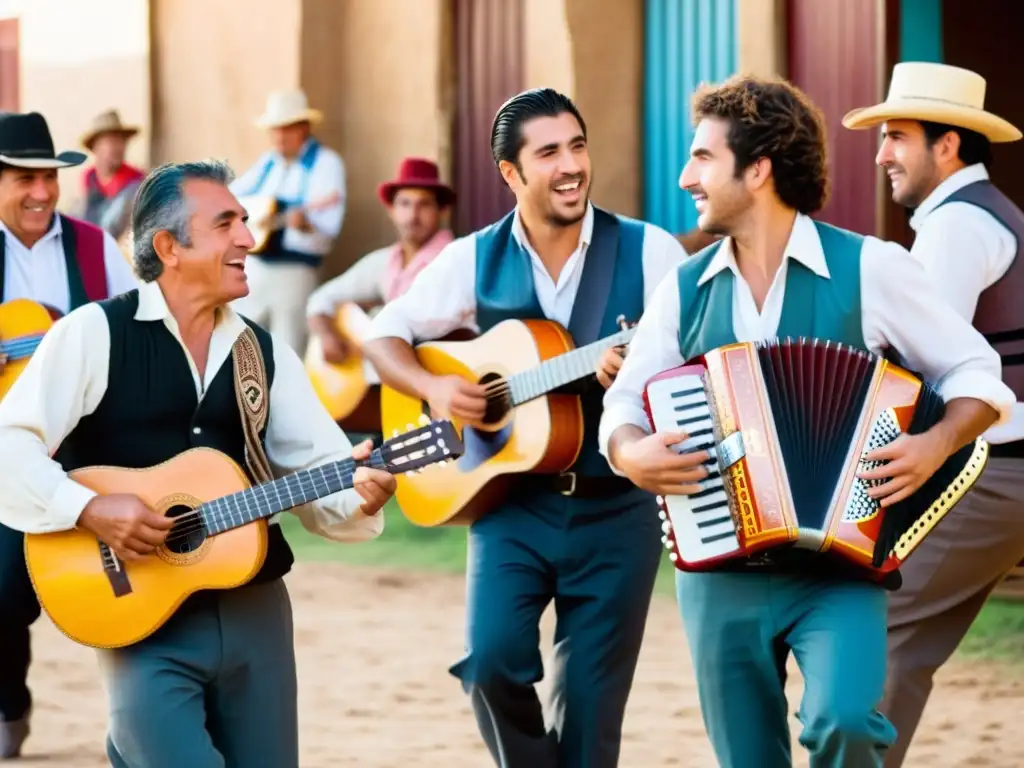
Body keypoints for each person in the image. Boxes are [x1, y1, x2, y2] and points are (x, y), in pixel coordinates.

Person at [599, 73, 1015, 768]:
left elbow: (976, 374)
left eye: (703, 158)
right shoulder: (682, 289)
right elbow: (623, 404)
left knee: (846, 720)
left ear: (758, 168)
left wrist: (932, 443)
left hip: (839, 566)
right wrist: (630, 453)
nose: (685, 177)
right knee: (748, 758)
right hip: (717, 568)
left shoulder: (874, 269)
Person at [0, 159, 395, 768]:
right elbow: (9, 443)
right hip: (137, 613)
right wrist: (89, 508)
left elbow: (325, 469)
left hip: (255, 613)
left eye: (243, 220)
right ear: (168, 247)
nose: (248, 238)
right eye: (226, 223)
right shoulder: (93, 334)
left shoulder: (261, 353)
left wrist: (361, 490)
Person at [360, 88, 688, 768]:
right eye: (548, 153)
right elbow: (384, 335)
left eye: (578, 145)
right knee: (489, 665)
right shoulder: (470, 259)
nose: (571, 166)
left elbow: (698, 356)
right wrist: (432, 385)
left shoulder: (651, 251)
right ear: (510, 173)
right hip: (510, 507)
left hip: (617, 510)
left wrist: (640, 379)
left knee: (593, 719)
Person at [843, 61, 1024, 766]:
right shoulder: (991, 214)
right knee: (904, 648)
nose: (882, 153)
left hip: (990, 473)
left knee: (878, 637)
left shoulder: (954, 226)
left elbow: (926, 371)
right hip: (1003, 475)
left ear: (947, 145)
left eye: (896, 137)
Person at [0, 110, 138, 759]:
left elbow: (140, 331)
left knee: (126, 593)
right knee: (1, 594)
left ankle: (142, 727)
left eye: (48, 177)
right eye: (23, 178)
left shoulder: (95, 247)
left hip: (92, 448)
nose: (41, 192)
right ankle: (9, 701)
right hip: (8, 458)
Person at [306, 156, 456, 363]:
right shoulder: (384, 261)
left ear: (443, 211)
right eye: (404, 204)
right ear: (391, 211)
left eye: (424, 205)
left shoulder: (455, 259)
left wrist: (376, 314)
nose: (413, 215)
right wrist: (327, 335)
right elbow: (321, 299)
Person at [230, 88, 346, 353]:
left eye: (286, 129)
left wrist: (305, 226)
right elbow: (234, 196)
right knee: (240, 346)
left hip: (295, 270)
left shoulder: (327, 164)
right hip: (255, 268)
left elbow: (327, 234)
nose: (279, 137)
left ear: (303, 128)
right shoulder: (268, 163)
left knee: (287, 349)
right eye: (275, 130)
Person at [72, 109, 146, 241]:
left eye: (120, 141)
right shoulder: (89, 181)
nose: (117, 147)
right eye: (110, 141)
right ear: (95, 147)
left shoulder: (137, 185)